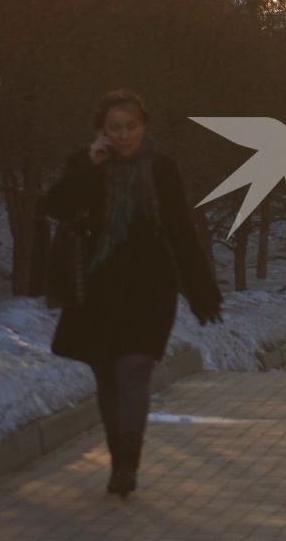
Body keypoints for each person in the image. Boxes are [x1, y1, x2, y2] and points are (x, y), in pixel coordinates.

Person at [41, 89, 224, 499]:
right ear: (101, 132)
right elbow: (56, 206)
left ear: (143, 127)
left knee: (135, 367)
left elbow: (180, 231)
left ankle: (128, 463)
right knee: (107, 372)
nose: (123, 136)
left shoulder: (161, 169)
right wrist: (88, 166)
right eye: (114, 129)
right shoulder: (85, 167)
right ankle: (118, 456)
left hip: (149, 284)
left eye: (131, 127)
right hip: (99, 285)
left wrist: (200, 290)